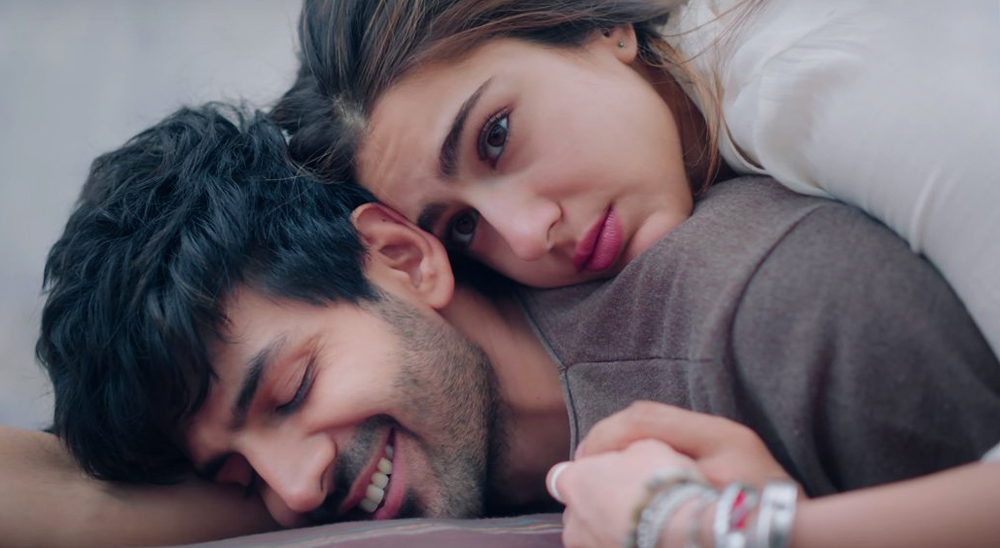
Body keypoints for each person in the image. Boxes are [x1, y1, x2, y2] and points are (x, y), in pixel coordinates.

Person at [19, 101, 1000, 548]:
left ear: (402, 257)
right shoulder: (382, 470)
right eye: (238, 476)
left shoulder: (787, 316)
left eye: (290, 390)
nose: (292, 486)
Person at [272, 0, 1000, 357]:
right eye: (461, 226)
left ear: (601, 27)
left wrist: (745, 527)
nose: (526, 236)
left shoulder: (808, 74)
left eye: (496, 137)